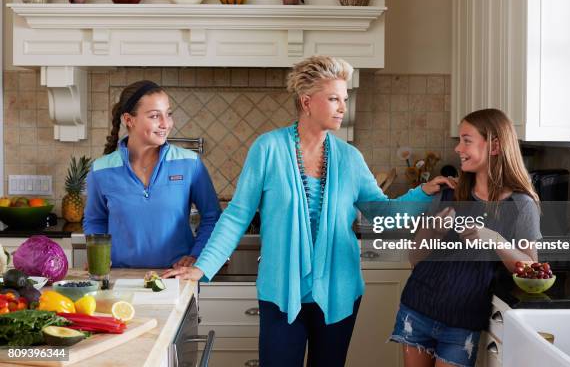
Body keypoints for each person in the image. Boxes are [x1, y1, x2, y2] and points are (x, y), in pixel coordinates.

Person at [162, 55, 456, 366]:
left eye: (344, 98)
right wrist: (202, 267)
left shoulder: (349, 158)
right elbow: (237, 215)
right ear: (307, 102)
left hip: (340, 292)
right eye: (333, 99)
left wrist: (423, 192)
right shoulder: (268, 149)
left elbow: (383, 214)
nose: (343, 107)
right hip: (280, 293)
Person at [390, 108, 541, 367]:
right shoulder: (448, 192)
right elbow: (414, 259)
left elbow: (530, 269)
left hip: (463, 320)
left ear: (494, 146)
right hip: (417, 308)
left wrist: (493, 238)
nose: (459, 148)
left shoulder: (521, 205)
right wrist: (432, 230)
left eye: (466, 140)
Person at [84, 80, 221, 268]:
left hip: (176, 278)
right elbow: (95, 221)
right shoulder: (100, 170)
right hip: (120, 280)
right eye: (155, 116)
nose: (166, 123)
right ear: (128, 120)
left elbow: (212, 217)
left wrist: (197, 255)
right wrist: (99, 256)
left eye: (169, 114)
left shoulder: (190, 164)